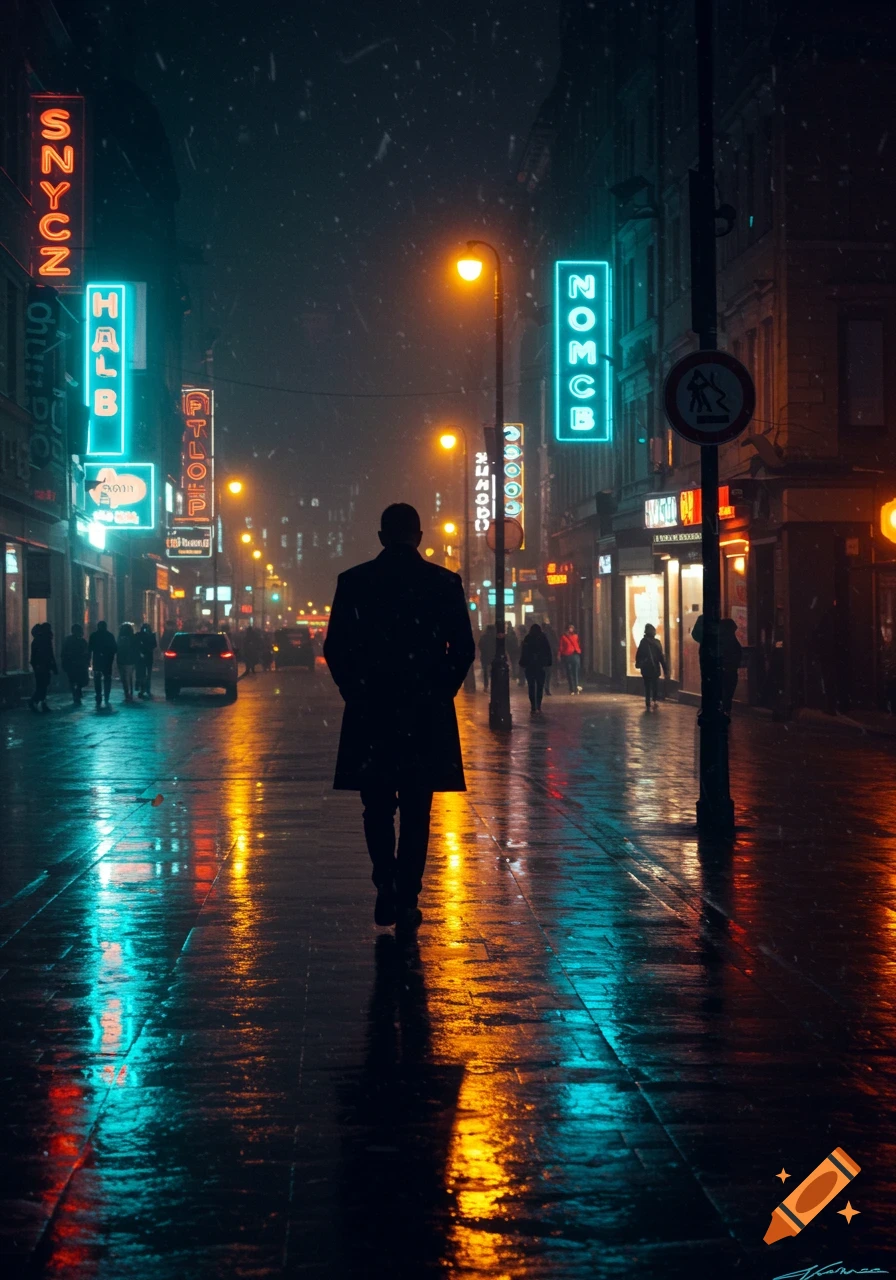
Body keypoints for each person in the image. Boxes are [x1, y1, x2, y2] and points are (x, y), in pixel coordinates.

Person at [324, 503, 475, 932]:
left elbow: (336, 648)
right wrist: (437, 692)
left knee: (375, 806)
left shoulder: (354, 582)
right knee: (415, 808)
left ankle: (385, 882)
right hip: (423, 714)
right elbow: (463, 649)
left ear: (381, 537)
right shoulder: (443, 583)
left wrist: (357, 691)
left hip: (372, 713)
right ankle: (407, 893)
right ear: (420, 536)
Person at [519, 622, 552, 714]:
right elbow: (548, 651)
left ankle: (533, 705)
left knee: (531, 686)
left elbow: (524, 652)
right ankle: (539, 705)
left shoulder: (528, 638)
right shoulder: (543, 638)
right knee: (540, 686)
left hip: (530, 666)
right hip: (540, 666)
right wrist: (548, 663)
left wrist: (523, 663)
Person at [635, 623, 667, 710]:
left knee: (647, 685)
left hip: (646, 668)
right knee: (655, 684)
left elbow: (639, 654)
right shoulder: (657, 642)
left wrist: (639, 663)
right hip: (655, 667)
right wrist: (665, 669)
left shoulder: (643, 642)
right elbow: (661, 657)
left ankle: (648, 701)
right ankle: (654, 700)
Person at [29, 622, 57, 712]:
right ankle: (35, 701)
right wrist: (54, 666)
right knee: (43, 685)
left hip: (40, 666)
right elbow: (50, 654)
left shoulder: (37, 640)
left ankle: (39, 702)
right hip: (43, 666)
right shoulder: (45, 640)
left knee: (42, 685)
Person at [89, 620, 117, 708]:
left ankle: (98, 695)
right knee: (107, 678)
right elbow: (115, 649)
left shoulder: (94, 635)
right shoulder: (110, 636)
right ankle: (106, 696)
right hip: (107, 661)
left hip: (97, 661)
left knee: (97, 679)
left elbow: (90, 648)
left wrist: (89, 659)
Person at [61, 623, 90, 706]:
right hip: (78, 664)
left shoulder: (68, 640)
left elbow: (63, 653)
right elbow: (86, 653)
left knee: (73, 680)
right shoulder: (81, 641)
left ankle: (76, 693)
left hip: (72, 664)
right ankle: (77, 692)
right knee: (79, 680)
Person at [719, 618, 743, 714]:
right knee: (728, 692)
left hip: (725, 670)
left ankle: (724, 709)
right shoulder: (731, 640)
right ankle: (726, 709)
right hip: (730, 670)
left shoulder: (722, 640)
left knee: (725, 692)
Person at [117, 623, 138, 702]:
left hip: (122, 660)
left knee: (124, 678)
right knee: (130, 677)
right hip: (130, 660)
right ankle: (130, 692)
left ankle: (127, 692)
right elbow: (136, 649)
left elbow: (117, 648)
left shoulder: (120, 638)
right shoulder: (133, 637)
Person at [559, 623, 583, 694]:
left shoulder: (576, 636)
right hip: (567, 655)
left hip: (575, 654)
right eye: (570, 628)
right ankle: (572, 688)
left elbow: (578, 644)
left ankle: (575, 687)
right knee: (569, 672)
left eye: (572, 628)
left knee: (575, 672)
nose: (571, 629)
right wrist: (559, 654)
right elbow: (561, 646)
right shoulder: (563, 637)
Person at [136, 622, 157, 699]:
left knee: (144, 674)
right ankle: (146, 689)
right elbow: (154, 645)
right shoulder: (151, 635)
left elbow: (154, 645)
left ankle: (144, 689)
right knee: (147, 674)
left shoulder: (141, 635)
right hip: (147, 657)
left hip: (143, 657)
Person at [541, 618, 559, 696]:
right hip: (550, 656)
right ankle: (547, 687)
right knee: (549, 673)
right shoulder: (552, 634)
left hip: (541, 657)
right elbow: (555, 645)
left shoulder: (540, 635)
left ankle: (543, 687)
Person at [478, 624, 496, 692]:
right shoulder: (495, 637)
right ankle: (493, 685)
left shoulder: (483, 637)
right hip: (493, 656)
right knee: (493, 672)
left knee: (485, 672)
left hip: (485, 656)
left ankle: (486, 686)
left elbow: (480, 645)